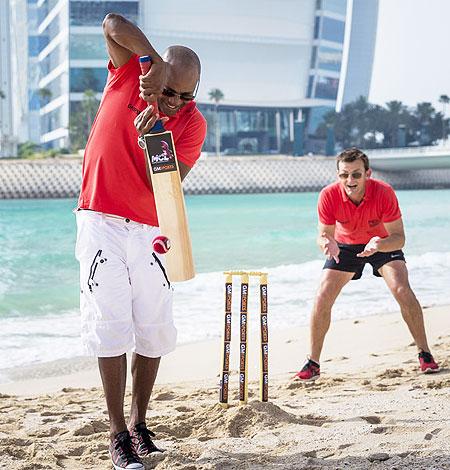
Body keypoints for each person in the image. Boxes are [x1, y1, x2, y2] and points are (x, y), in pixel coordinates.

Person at [75, 13, 206, 470]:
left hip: (151, 229)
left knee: (152, 327)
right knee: (108, 322)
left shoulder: (191, 123)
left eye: (186, 96)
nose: (174, 102)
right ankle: (116, 435)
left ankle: (139, 424)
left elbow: (169, 189)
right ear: (159, 76)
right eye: (170, 91)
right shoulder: (130, 73)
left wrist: (156, 141)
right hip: (100, 219)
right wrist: (149, 61)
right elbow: (111, 22)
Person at [295, 148, 440, 382]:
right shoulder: (328, 195)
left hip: (382, 244)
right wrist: (326, 243)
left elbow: (399, 238)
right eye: (344, 175)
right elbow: (323, 235)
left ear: (367, 173)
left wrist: (379, 243)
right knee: (322, 295)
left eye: (356, 174)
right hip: (345, 248)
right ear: (338, 175)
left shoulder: (384, 193)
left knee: (402, 290)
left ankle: (424, 353)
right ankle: (313, 363)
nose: (349, 181)